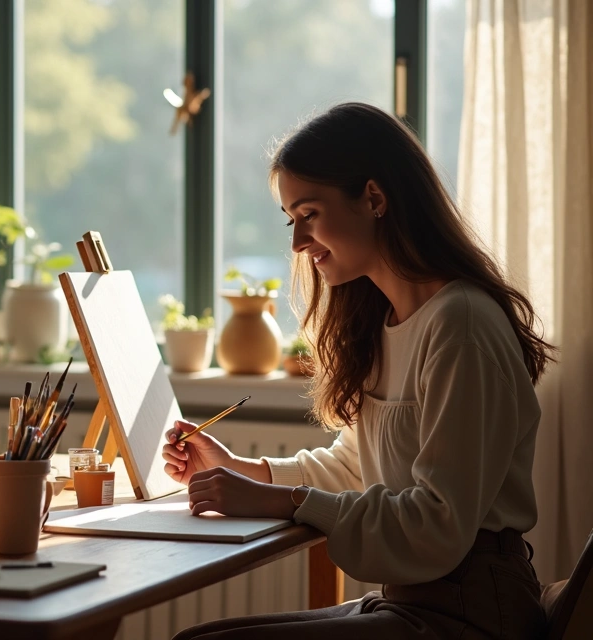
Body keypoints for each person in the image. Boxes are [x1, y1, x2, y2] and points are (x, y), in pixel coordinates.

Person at [165, 103, 555, 639]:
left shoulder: (460, 325)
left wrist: (285, 501)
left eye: (309, 215)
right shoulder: (384, 322)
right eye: (291, 221)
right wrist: (247, 471)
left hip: (473, 614)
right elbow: (357, 470)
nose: (298, 244)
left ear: (373, 198)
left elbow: (438, 522)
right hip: (410, 603)